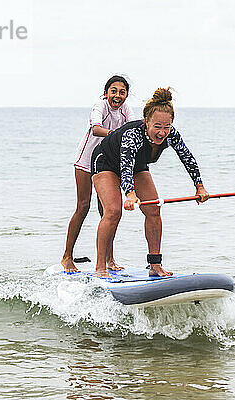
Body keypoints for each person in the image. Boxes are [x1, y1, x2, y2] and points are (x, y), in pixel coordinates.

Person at [90, 87, 209, 277]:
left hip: (138, 165)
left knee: (153, 209)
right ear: (146, 122)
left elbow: (187, 158)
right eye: (157, 127)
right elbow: (126, 165)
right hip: (106, 162)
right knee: (113, 211)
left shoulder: (171, 135)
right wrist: (130, 194)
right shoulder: (133, 134)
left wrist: (199, 186)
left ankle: (155, 265)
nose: (162, 133)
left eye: (166, 127)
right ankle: (100, 267)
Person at [61, 75, 134, 272]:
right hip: (86, 161)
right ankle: (67, 257)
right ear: (106, 93)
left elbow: (134, 128)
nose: (117, 95)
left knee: (108, 212)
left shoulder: (126, 110)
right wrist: (116, 135)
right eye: (113, 91)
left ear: (126, 94)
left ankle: (109, 259)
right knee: (83, 206)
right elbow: (96, 129)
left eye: (122, 92)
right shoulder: (99, 105)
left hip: (107, 164)